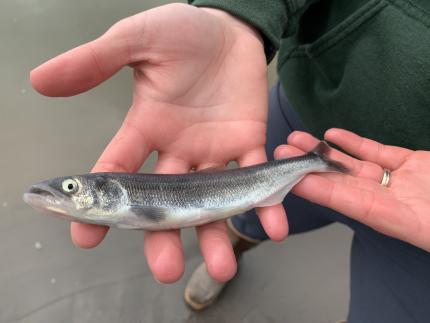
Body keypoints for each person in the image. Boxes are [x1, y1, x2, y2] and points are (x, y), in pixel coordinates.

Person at [29, 1, 430, 322]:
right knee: (251, 216)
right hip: (306, 106)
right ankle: (238, 244)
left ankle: (244, 234)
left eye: (72, 189)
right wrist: (237, 13)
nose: (65, 191)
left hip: (420, 227)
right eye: (72, 188)